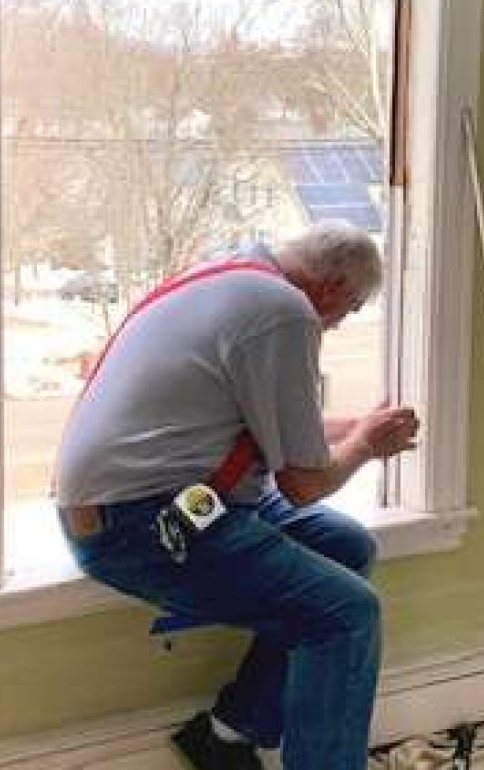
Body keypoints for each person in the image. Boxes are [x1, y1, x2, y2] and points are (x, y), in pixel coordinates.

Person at [54, 220, 420, 770]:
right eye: (353, 310)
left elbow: (276, 425)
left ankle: (227, 734)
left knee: (346, 547)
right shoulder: (286, 313)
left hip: (164, 500)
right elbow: (302, 486)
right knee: (346, 612)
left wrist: (355, 427)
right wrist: (367, 445)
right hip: (139, 524)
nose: (343, 324)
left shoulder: (232, 275)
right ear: (333, 289)